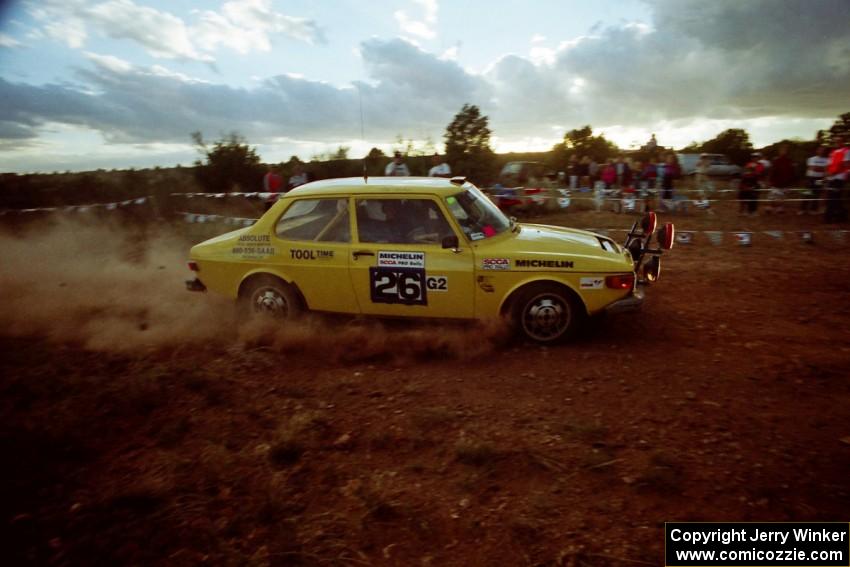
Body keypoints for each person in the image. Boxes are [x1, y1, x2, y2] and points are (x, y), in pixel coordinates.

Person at [824, 136, 849, 223]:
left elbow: (845, 164)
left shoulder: (846, 151)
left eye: (839, 141)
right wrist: (827, 174)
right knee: (834, 198)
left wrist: (834, 173)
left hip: (839, 178)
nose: (837, 143)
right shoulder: (832, 152)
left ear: (843, 142)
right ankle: (841, 216)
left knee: (833, 198)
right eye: (835, 141)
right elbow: (829, 164)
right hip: (831, 178)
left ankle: (828, 218)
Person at [765, 145, 795, 214]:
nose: (783, 152)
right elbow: (772, 171)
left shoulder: (789, 160)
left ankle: (780, 208)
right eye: (782, 150)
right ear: (779, 152)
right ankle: (770, 207)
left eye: (785, 150)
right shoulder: (776, 160)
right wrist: (769, 180)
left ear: (787, 152)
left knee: (783, 196)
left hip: (785, 182)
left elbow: (792, 171)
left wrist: (791, 181)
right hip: (776, 182)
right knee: (772, 195)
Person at [801, 146, 828, 215]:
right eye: (820, 150)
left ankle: (813, 210)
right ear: (817, 151)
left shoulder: (826, 160)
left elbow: (826, 170)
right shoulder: (811, 159)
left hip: (820, 178)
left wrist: (820, 169)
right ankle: (802, 209)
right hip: (810, 178)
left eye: (823, 150)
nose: (821, 151)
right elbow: (812, 168)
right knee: (807, 193)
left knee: (817, 194)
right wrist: (822, 168)